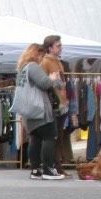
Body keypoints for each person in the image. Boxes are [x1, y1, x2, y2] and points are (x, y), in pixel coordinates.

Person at [16, 44, 65, 181]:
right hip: (40, 110)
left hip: (29, 110)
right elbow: (44, 83)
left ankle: (36, 170)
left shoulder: (22, 69)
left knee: (35, 138)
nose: (42, 59)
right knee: (49, 136)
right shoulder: (32, 67)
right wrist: (53, 79)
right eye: (42, 56)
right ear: (36, 54)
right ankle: (48, 169)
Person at [40, 34, 72, 175]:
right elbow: (42, 82)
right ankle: (52, 166)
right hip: (53, 104)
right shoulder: (45, 62)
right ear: (50, 48)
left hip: (61, 103)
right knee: (53, 136)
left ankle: (57, 166)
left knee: (59, 136)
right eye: (58, 45)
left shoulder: (58, 62)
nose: (61, 48)